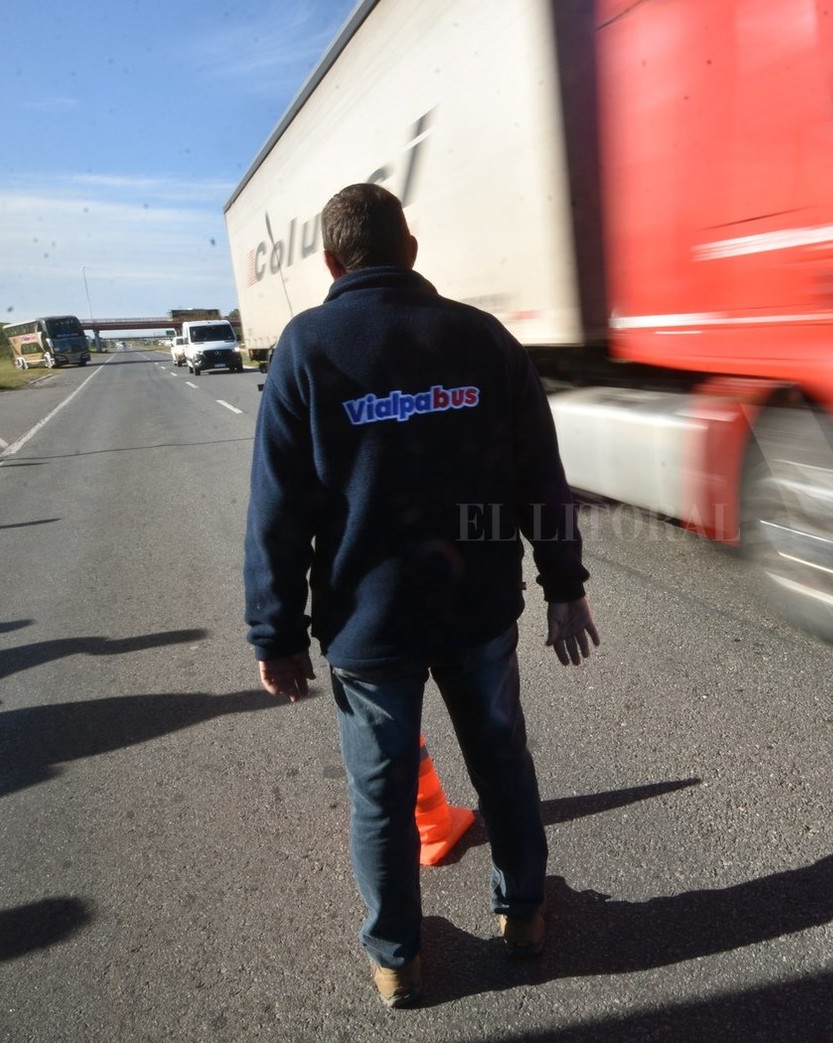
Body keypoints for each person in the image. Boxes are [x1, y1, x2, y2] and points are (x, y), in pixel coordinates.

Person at [243, 182, 599, 1009]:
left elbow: (278, 508)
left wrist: (277, 633)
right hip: (477, 609)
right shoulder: (481, 338)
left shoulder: (306, 347)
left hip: (369, 626)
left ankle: (396, 956)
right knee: (502, 762)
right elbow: (538, 475)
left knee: (382, 791)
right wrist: (563, 584)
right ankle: (523, 916)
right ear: (410, 249)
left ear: (332, 263)